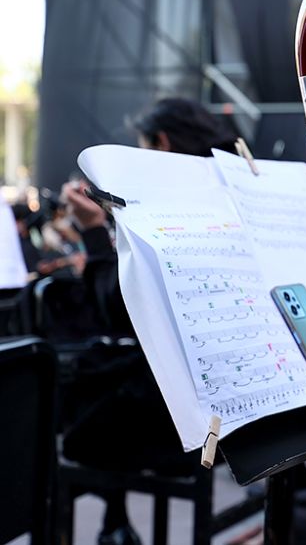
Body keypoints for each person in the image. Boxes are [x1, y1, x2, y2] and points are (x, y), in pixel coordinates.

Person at [59, 97, 239, 545]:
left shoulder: (170, 201)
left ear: (160, 142)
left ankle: (109, 524)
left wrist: (94, 234)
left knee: (70, 429)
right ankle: (114, 525)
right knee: (98, 384)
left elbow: (123, 315)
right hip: (238, 400)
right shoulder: (229, 184)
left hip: (185, 421)